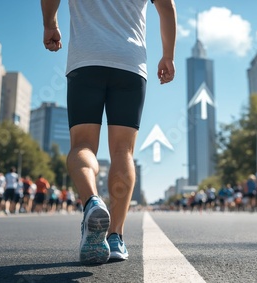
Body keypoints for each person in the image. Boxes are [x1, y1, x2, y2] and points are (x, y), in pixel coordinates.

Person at [41, 0, 176, 264]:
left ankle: (92, 201)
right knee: (123, 150)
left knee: (83, 145)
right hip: (130, 62)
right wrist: (168, 55)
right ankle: (115, 236)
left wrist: (50, 24)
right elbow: (167, 7)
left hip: (85, 59)